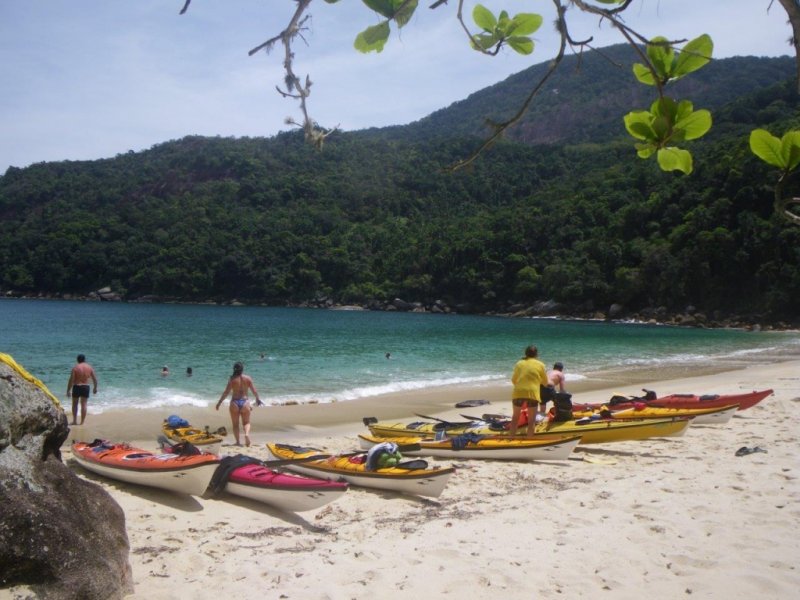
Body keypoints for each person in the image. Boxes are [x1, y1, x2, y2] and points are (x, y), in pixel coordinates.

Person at [216, 362, 263, 447]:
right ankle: (247, 435)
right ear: (242, 369)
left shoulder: (232, 379)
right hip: (245, 402)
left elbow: (226, 392)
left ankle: (238, 442)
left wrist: (219, 402)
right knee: (246, 422)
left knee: (235, 425)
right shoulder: (248, 378)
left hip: (234, 402)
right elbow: (254, 391)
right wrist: (258, 399)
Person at [510, 345, 548, 437]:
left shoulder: (519, 363)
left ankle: (511, 439)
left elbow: (513, 380)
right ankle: (529, 440)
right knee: (531, 421)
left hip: (519, 392)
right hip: (532, 393)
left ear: (525, 353)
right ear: (537, 354)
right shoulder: (541, 365)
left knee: (515, 418)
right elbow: (545, 383)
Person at [66, 354, 98, 426]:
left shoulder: (75, 368)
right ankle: (82, 422)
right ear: (84, 359)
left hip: (77, 386)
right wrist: (95, 388)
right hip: (85, 387)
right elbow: (95, 379)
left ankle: (74, 421)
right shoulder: (89, 367)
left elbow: (71, 380)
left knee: (75, 404)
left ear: (77, 360)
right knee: (84, 404)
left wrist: (68, 390)